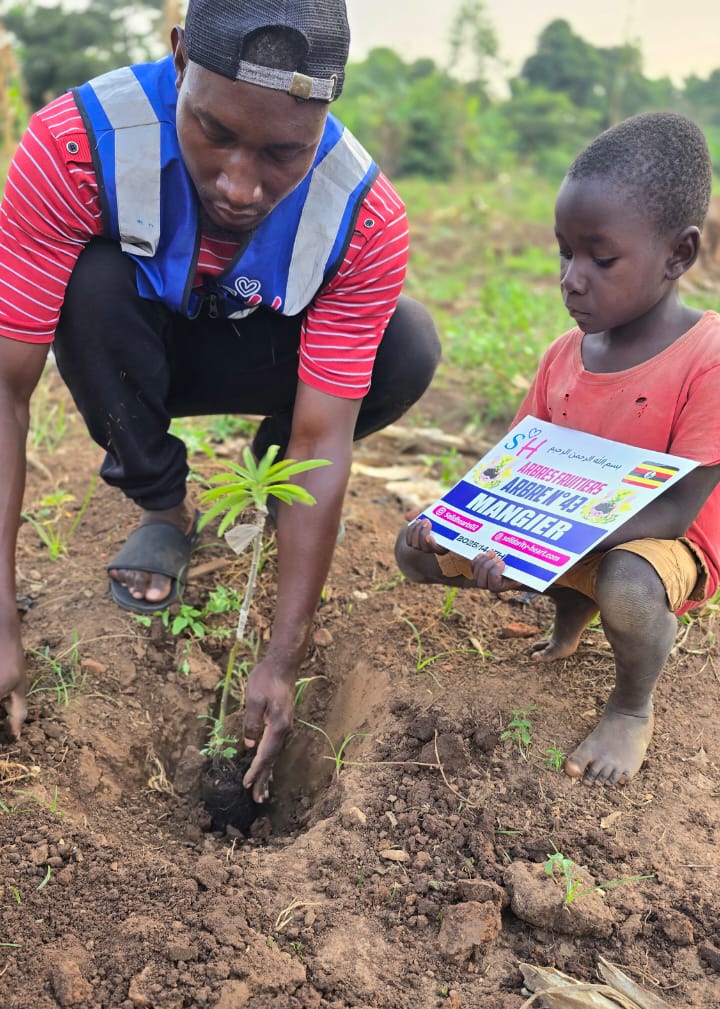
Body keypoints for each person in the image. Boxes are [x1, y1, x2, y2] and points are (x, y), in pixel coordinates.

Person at [0, 0, 441, 800]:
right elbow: (5, 390)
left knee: (406, 345)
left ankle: (259, 480)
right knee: (89, 288)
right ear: (177, 62)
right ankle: (164, 506)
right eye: (214, 132)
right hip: (132, 340)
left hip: (261, 348)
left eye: (283, 152)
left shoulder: (363, 217)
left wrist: (282, 656)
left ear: (326, 116)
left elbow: (325, 438)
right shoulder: (74, 145)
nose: (241, 184)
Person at [396, 112, 720, 787]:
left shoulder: (708, 358)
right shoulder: (561, 357)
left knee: (627, 583)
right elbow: (514, 470)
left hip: (666, 542)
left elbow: (676, 511)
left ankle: (631, 707)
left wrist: (542, 546)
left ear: (680, 255)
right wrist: (473, 527)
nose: (572, 278)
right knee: (413, 545)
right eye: (564, 252)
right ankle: (569, 614)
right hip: (571, 528)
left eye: (600, 259)